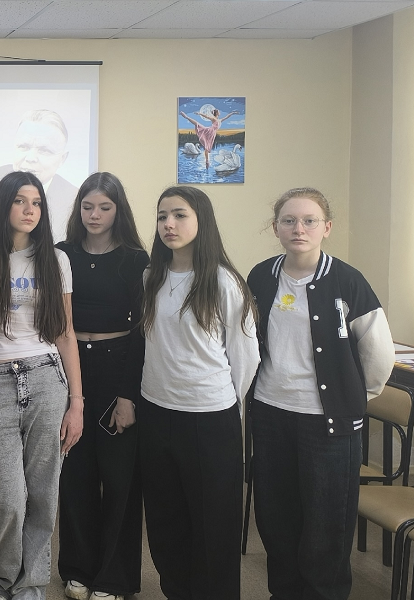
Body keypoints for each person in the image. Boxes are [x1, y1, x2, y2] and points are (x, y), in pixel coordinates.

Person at [247, 188, 394, 600]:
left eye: (309, 220)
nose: (299, 228)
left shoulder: (348, 280)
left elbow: (378, 353)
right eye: (289, 220)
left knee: (326, 523)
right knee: (277, 517)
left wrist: (352, 398)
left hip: (329, 422)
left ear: (326, 227)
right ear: (275, 228)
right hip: (271, 413)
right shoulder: (261, 276)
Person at [0, 170, 84, 600]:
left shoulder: (56, 261)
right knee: (6, 496)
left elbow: (65, 333)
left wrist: (77, 403)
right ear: (3, 205)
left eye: (37, 203)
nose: (30, 210)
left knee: (43, 492)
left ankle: (31, 584)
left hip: (47, 377)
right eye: (20, 201)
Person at [138, 186, 259, 600]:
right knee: (166, 522)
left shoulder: (224, 281)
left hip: (209, 419)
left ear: (201, 220)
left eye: (179, 215)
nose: (168, 224)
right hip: (156, 411)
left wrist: (221, 402)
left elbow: (246, 357)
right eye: (162, 217)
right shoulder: (151, 277)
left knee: (213, 528)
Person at [54, 173, 147, 600]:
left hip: (118, 367)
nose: (94, 215)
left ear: (117, 211)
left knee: (119, 479)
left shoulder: (135, 259)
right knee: (75, 474)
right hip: (69, 369)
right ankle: (78, 569)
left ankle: (114, 578)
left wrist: (129, 395)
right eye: (87, 207)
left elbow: (143, 332)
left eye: (104, 208)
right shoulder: (61, 254)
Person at [0, 109, 78, 241]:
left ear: (62, 159)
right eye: (23, 147)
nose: (31, 158)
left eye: (44, 150)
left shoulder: (75, 197)